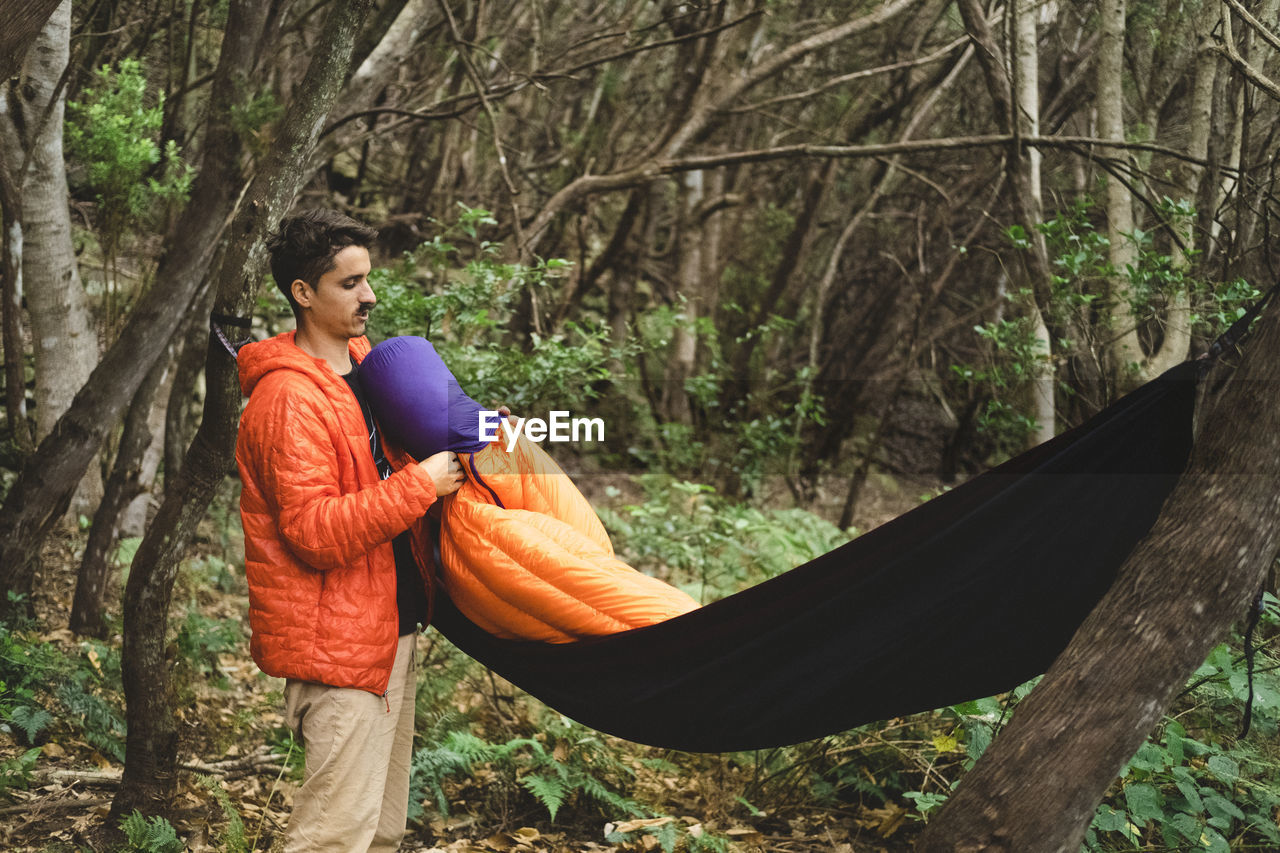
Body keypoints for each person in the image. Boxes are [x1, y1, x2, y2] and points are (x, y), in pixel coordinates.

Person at [235, 209, 464, 852]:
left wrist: (465, 432)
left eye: (368, 278)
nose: (370, 296)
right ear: (302, 294)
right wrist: (423, 484)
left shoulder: (368, 368)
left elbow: (393, 461)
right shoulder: (286, 401)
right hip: (337, 652)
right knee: (332, 840)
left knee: (381, 832)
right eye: (349, 283)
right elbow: (311, 531)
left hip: (389, 632)